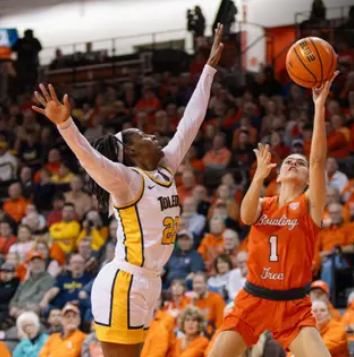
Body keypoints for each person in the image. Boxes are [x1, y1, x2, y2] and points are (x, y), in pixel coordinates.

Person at [32, 24, 224, 357]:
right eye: (145, 137)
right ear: (133, 153)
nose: (154, 138)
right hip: (124, 282)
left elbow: (191, 122)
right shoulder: (128, 181)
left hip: (150, 281)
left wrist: (208, 69)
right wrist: (66, 124)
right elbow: (90, 158)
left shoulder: (165, 167)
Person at [209, 72, 339, 357]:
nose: (294, 163)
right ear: (278, 176)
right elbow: (245, 216)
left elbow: (317, 160)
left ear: (306, 179)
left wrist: (318, 107)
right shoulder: (265, 203)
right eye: (289, 161)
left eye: (300, 163)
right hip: (253, 299)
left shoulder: (310, 205)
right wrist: (257, 177)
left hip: (293, 305)